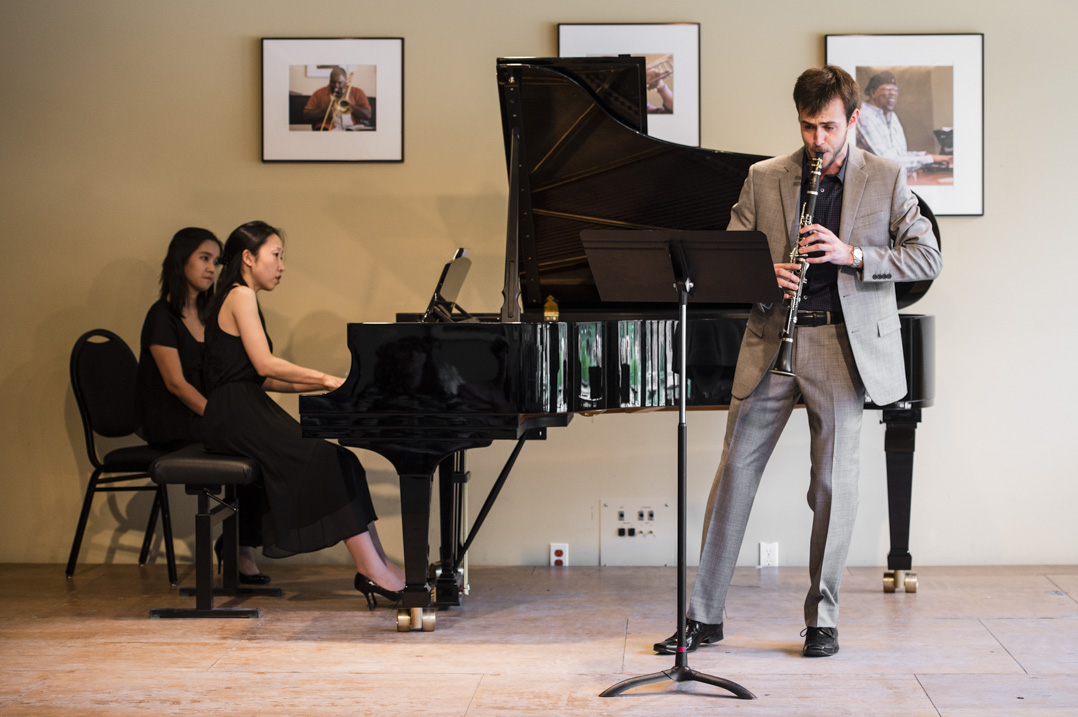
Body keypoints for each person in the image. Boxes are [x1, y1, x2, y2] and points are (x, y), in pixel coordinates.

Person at [653, 66, 942, 658]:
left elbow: (926, 257)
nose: (818, 140)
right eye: (808, 127)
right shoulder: (765, 178)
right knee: (733, 477)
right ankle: (703, 617)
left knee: (833, 487)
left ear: (853, 120)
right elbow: (726, 259)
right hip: (770, 341)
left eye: (829, 127)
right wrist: (764, 275)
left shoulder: (887, 178)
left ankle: (822, 620)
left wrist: (852, 254)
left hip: (841, 346)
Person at [200, 220, 405, 607]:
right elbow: (265, 365)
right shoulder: (240, 295)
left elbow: (262, 379)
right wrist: (324, 377)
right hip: (234, 414)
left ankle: (381, 564)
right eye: (276, 255)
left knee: (342, 459)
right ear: (248, 257)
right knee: (326, 460)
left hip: (242, 406)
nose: (281, 266)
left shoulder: (238, 296)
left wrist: (326, 384)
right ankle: (372, 570)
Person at [135, 228, 269, 584]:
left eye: (216, 260)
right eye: (203, 258)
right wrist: (219, 417)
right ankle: (238, 549)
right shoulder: (161, 316)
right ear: (181, 261)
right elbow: (176, 385)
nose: (212, 268)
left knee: (263, 441)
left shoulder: (211, 314)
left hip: (203, 416)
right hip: (173, 421)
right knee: (252, 441)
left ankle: (238, 545)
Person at [856, 71, 951, 172]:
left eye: (895, 90)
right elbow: (886, 162)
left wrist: (926, 155)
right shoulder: (864, 117)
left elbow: (901, 155)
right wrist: (929, 159)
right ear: (873, 93)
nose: (893, 93)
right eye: (888, 89)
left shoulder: (892, 116)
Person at [302, 66, 372, 131]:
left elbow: (368, 115)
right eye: (333, 82)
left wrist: (350, 105)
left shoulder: (357, 92)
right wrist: (327, 108)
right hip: (329, 129)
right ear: (329, 81)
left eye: (340, 83)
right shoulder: (319, 93)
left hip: (352, 128)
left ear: (345, 81)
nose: (336, 86)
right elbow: (306, 116)